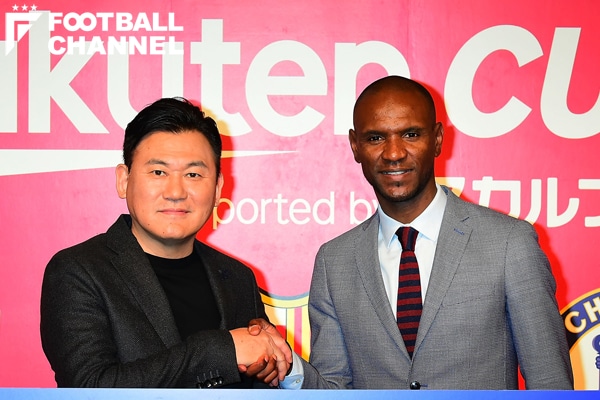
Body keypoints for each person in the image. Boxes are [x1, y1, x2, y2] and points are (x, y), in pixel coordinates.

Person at [256, 75, 573, 389]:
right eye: (375, 138)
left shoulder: (509, 244)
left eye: (410, 134)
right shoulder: (334, 261)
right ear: (355, 146)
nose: (394, 153)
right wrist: (291, 367)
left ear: (437, 139)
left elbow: (550, 383)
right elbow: (334, 390)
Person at [40, 97, 291, 388]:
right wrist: (222, 350)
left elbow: (259, 384)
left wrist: (273, 361)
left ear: (217, 188)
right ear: (124, 180)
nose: (175, 192)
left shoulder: (238, 278)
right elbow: (89, 386)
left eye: (193, 174)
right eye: (158, 172)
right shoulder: (78, 271)